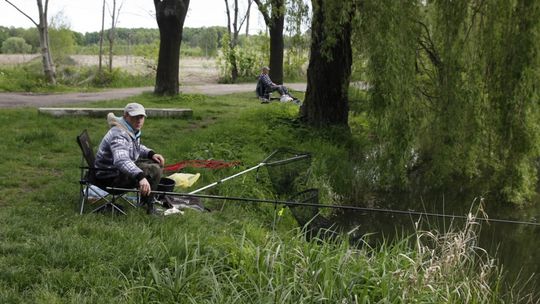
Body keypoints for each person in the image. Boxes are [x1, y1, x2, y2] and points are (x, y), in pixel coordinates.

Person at [94, 102, 165, 214]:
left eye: (141, 117)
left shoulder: (129, 129)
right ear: (126, 115)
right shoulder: (119, 133)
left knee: (156, 162)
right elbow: (121, 160)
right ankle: (149, 205)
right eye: (135, 116)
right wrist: (141, 177)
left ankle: (145, 199)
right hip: (111, 177)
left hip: (114, 171)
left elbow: (134, 147)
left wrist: (151, 154)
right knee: (155, 170)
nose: (139, 120)